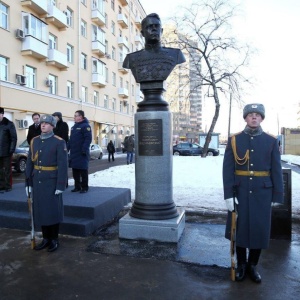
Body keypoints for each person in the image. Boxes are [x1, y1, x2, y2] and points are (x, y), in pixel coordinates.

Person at [223, 103, 284, 283]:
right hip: (240, 191)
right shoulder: (234, 140)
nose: (254, 117)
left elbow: (276, 170)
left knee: (259, 229)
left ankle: (253, 265)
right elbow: (228, 169)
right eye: (251, 114)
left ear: (262, 118)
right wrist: (228, 194)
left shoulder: (271, 141)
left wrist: (277, 195)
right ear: (245, 118)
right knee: (240, 228)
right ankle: (241, 264)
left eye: (258, 115)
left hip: (263, 193)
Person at [25, 114, 68, 252]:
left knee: (52, 211)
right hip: (37, 181)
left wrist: (61, 185)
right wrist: (28, 183)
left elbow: (63, 165)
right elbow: (30, 162)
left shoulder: (59, 142)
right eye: (42, 123)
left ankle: (54, 239)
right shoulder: (34, 141)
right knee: (42, 211)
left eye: (47, 123)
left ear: (53, 126)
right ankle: (46, 239)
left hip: (52, 181)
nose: (43, 125)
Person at [123, 13, 185, 86]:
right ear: (142, 33)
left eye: (157, 26)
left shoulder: (176, 54)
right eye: (150, 27)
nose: (154, 29)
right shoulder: (131, 59)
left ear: (161, 31)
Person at [68, 110, 92, 193]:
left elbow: (88, 139)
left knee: (83, 171)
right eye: (74, 115)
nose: (74, 117)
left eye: (76, 115)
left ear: (81, 117)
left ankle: (84, 187)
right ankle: (77, 186)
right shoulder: (74, 127)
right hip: (74, 153)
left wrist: (84, 149)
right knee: (75, 171)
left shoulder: (86, 126)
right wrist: (67, 148)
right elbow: (71, 140)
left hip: (82, 153)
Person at [0, 107, 17, 192]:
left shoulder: (9, 124)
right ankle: (1, 185)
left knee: (7, 169)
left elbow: (13, 138)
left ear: (2, 114)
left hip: (6, 151)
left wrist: (11, 150)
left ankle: (8, 186)